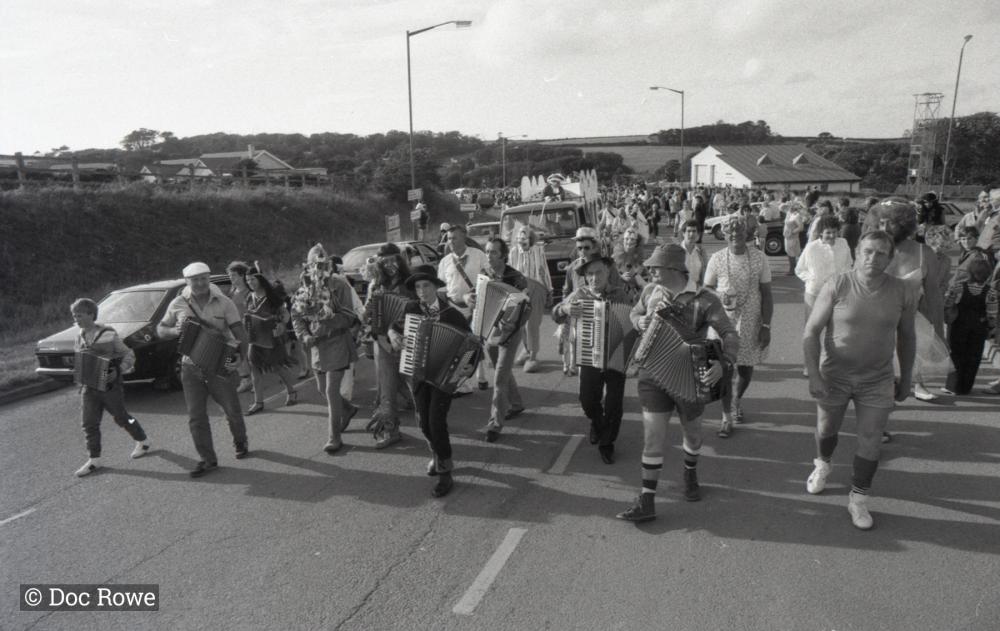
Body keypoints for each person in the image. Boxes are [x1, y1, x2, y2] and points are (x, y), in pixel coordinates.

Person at [803, 231, 917, 530]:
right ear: (856, 251)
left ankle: (859, 498)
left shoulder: (903, 290)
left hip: (877, 379)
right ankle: (823, 464)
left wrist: (906, 377)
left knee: (870, 439)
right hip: (834, 376)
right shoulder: (838, 283)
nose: (873, 258)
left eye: (881, 253)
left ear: (890, 258)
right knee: (826, 429)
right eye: (868, 251)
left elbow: (907, 336)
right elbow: (811, 331)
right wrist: (813, 373)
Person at [616, 244, 738, 522]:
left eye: (655, 268)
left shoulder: (705, 299)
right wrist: (639, 323)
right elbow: (634, 313)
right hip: (652, 375)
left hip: (691, 377)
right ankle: (646, 500)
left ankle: (690, 471)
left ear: (672, 270)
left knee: (693, 435)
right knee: (652, 438)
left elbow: (729, 334)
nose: (650, 271)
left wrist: (724, 363)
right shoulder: (649, 291)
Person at [157, 262, 250, 477]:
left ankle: (240, 441)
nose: (200, 283)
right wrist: (173, 330)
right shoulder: (178, 303)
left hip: (219, 365)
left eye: (203, 278)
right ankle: (208, 459)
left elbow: (240, 333)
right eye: (195, 280)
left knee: (232, 410)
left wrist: (240, 359)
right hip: (191, 367)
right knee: (196, 416)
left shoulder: (224, 302)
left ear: (209, 279)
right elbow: (160, 329)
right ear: (187, 282)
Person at [388, 265, 469, 497]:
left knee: (436, 421)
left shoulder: (451, 315)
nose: (421, 291)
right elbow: (394, 327)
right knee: (423, 422)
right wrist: (394, 336)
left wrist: (463, 369)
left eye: (426, 286)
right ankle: (437, 454)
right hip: (417, 373)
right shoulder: (411, 309)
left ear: (435, 287)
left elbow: (472, 348)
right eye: (417, 287)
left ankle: (445, 472)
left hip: (444, 379)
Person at [553, 256, 631, 464]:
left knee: (614, 404)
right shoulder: (579, 294)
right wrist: (565, 309)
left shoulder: (620, 294)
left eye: (598, 273)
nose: (594, 278)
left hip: (615, 356)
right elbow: (556, 313)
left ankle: (607, 443)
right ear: (585, 277)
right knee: (587, 400)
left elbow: (631, 322)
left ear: (607, 273)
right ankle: (597, 423)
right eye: (589, 274)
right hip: (588, 355)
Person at [704, 217, 773, 437]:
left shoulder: (760, 258)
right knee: (724, 368)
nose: (735, 237)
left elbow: (767, 294)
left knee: (745, 367)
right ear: (725, 236)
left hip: (751, 319)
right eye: (731, 234)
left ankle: (736, 399)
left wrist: (766, 325)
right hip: (723, 321)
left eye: (740, 233)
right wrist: (719, 295)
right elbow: (705, 289)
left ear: (748, 234)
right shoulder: (716, 259)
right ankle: (726, 417)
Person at [291, 244, 360, 454]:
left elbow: (349, 317)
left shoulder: (339, 284)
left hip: (338, 342)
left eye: (321, 262)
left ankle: (334, 437)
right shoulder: (303, 286)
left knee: (331, 391)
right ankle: (347, 409)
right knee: (322, 389)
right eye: (313, 263)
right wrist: (304, 335)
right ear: (307, 264)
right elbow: (296, 315)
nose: (317, 266)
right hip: (317, 346)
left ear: (328, 263)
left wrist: (328, 319)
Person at [876, 199, 946, 404]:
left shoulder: (925, 253)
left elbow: (934, 295)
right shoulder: (873, 249)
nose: (885, 228)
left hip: (910, 323)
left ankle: (917, 386)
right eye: (881, 223)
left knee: (907, 372)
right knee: (876, 378)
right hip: (875, 324)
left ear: (905, 224)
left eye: (891, 223)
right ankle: (879, 423)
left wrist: (940, 332)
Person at [70, 298, 150, 477]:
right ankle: (94, 459)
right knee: (88, 423)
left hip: (109, 385)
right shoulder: (78, 336)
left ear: (91, 314)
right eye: (74, 316)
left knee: (122, 417)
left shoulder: (107, 333)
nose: (76, 319)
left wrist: (120, 370)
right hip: (88, 387)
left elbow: (128, 353)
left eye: (79, 315)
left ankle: (142, 440)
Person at [476, 238, 529, 443]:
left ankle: (494, 424)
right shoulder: (484, 274)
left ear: (503, 255)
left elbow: (525, 307)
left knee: (499, 377)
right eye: (487, 252)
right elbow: (478, 297)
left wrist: (511, 322)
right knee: (502, 370)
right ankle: (516, 404)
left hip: (510, 332)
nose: (489, 256)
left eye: (493, 253)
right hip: (489, 330)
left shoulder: (516, 278)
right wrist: (471, 299)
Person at [365, 243, 414, 448]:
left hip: (409, 342)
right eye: (383, 262)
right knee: (386, 390)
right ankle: (391, 431)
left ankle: (431, 424)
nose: (388, 265)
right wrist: (376, 332)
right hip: (383, 345)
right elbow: (369, 315)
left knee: (418, 388)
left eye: (392, 260)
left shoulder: (411, 283)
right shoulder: (374, 286)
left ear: (399, 261)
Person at [437, 224, 491, 392]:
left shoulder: (479, 255)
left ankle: (481, 376)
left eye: (454, 238)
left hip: (476, 306)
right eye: (449, 238)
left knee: (477, 342)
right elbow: (441, 287)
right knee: (458, 346)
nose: (450, 242)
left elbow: (489, 279)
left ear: (464, 237)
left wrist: (475, 295)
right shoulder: (445, 262)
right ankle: (463, 384)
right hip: (454, 307)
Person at [244, 272, 299, 415]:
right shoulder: (250, 297)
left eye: (252, 279)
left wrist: (281, 324)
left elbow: (286, 314)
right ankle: (258, 402)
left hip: (271, 337)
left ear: (260, 280)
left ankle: (291, 391)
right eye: (248, 280)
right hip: (254, 338)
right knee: (254, 368)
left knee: (277, 366)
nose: (250, 282)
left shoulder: (271, 297)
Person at [942, 251, 997, 395]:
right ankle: (966, 387)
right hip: (979, 326)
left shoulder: (958, 287)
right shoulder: (990, 292)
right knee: (973, 357)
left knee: (956, 355)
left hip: (959, 325)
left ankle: (952, 386)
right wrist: (991, 328)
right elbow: (992, 314)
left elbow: (948, 303)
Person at [509, 225, 552, 373]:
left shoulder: (539, 250)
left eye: (525, 237)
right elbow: (510, 272)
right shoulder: (513, 252)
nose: (522, 240)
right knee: (520, 324)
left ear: (531, 238)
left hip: (538, 288)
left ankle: (533, 356)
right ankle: (527, 350)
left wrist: (550, 291)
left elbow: (544, 271)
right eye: (519, 237)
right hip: (520, 289)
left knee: (532, 324)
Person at [795, 215, 853, 321]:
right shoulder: (812, 247)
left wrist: (843, 281)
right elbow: (799, 269)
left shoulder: (843, 243)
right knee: (812, 324)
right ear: (821, 232)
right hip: (815, 292)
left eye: (834, 232)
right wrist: (812, 278)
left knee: (835, 324)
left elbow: (848, 264)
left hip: (837, 292)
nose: (832, 235)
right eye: (828, 232)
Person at [226, 261, 254, 394]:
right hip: (234, 328)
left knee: (251, 354)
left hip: (249, 327)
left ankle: (255, 380)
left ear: (242, 275)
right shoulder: (232, 291)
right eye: (230, 275)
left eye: (234, 275)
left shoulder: (249, 291)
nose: (231, 278)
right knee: (238, 353)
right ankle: (246, 380)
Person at [612, 226, 648, 303]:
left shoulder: (641, 262)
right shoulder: (613, 259)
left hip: (635, 298)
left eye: (632, 239)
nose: (629, 242)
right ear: (622, 240)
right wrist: (620, 277)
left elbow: (646, 285)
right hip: (617, 298)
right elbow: (608, 278)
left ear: (637, 243)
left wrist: (638, 278)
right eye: (626, 239)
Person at [679, 220, 706, 288]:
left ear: (698, 234)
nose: (691, 234)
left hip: (696, 291)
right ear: (683, 233)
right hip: (680, 292)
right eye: (688, 231)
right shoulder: (676, 251)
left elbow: (704, 273)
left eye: (694, 231)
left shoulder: (701, 252)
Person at [783, 201, 807, 274]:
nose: (788, 208)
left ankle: (792, 270)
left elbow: (801, 227)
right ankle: (796, 268)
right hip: (787, 237)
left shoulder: (797, 216)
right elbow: (781, 207)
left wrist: (792, 232)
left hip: (792, 237)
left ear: (794, 207)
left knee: (792, 254)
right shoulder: (789, 214)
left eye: (790, 206)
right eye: (788, 206)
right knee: (789, 252)